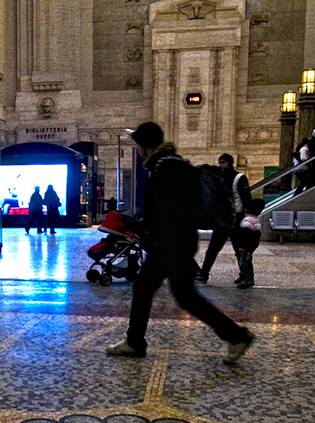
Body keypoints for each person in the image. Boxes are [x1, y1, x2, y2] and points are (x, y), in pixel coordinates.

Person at [105, 122, 255, 364]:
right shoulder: (176, 165)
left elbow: (165, 212)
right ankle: (237, 336)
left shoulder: (165, 171)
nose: (139, 151)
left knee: (146, 289)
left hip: (168, 246)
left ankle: (135, 343)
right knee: (185, 296)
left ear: (147, 147)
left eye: (140, 146)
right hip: (179, 244)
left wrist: (148, 233)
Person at [195, 153, 249, 283]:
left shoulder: (239, 178)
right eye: (219, 162)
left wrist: (247, 218)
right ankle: (204, 273)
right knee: (213, 248)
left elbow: (247, 199)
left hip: (236, 219)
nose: (220, 165)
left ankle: (245, 275)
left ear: (229, 163)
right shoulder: (218, 178)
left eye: (223, 162)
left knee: (239, 250)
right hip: (222, 219)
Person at [234, 197, 264, 289]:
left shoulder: (247, 221)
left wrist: (242, 246)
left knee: (243, 263)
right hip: (251, 246)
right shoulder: (256, 220)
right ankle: (250, 278)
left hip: (245, 247)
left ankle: (245, 279)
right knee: (248, 262)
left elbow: (245, 236)